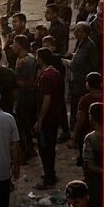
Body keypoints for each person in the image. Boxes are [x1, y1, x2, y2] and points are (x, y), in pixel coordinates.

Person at [35, 47, 64, 189]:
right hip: (55, 116)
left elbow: (47, 99)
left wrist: (40, 120)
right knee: (51, 148)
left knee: (44, 148)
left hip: (47, 119)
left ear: (40, 59)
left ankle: (49, 178)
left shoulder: (45, 77)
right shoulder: (56, 73)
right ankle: (50, 173)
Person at [66, 22, 99, 136]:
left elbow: (94, 66)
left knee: (81, 111)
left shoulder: (90, 46)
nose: (74, 32)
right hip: (76, 82)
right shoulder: (80, 43)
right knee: (75, 107)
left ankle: (79, 135)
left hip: (83, 85)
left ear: (84, 33)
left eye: (78, 30)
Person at [11, 35, 38, 162]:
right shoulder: (21, 59)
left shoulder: (27, 61)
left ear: (20, 45)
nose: (12, 46)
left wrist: (15, 81)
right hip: (23, 97)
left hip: (27, 98)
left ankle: (26, 153)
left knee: (23, 126)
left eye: (14, 44)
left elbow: (32, 83)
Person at [70, 72, 103, 165]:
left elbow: (79, 121)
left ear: (88, 84)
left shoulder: (85, 100)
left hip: (87, 134)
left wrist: (74, 140)